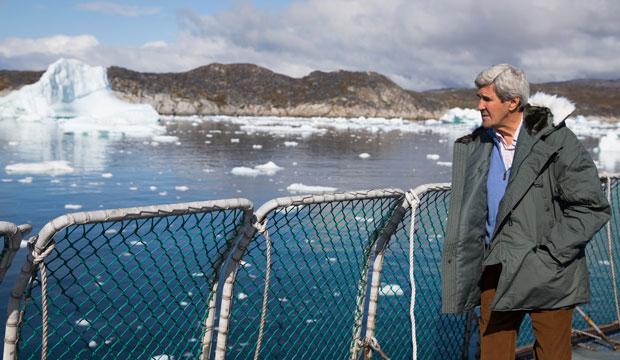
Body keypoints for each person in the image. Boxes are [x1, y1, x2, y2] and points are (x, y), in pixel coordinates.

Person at [441, 64, 611, 359]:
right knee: (492, 354)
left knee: (552, 354)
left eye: (486, 99)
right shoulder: (479, 144)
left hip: (549, 270)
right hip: (496, 269)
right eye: (478, 98)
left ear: (512, 102)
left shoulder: (556, 141)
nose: (479, 106)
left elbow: (591, 206)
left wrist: (550, 254)